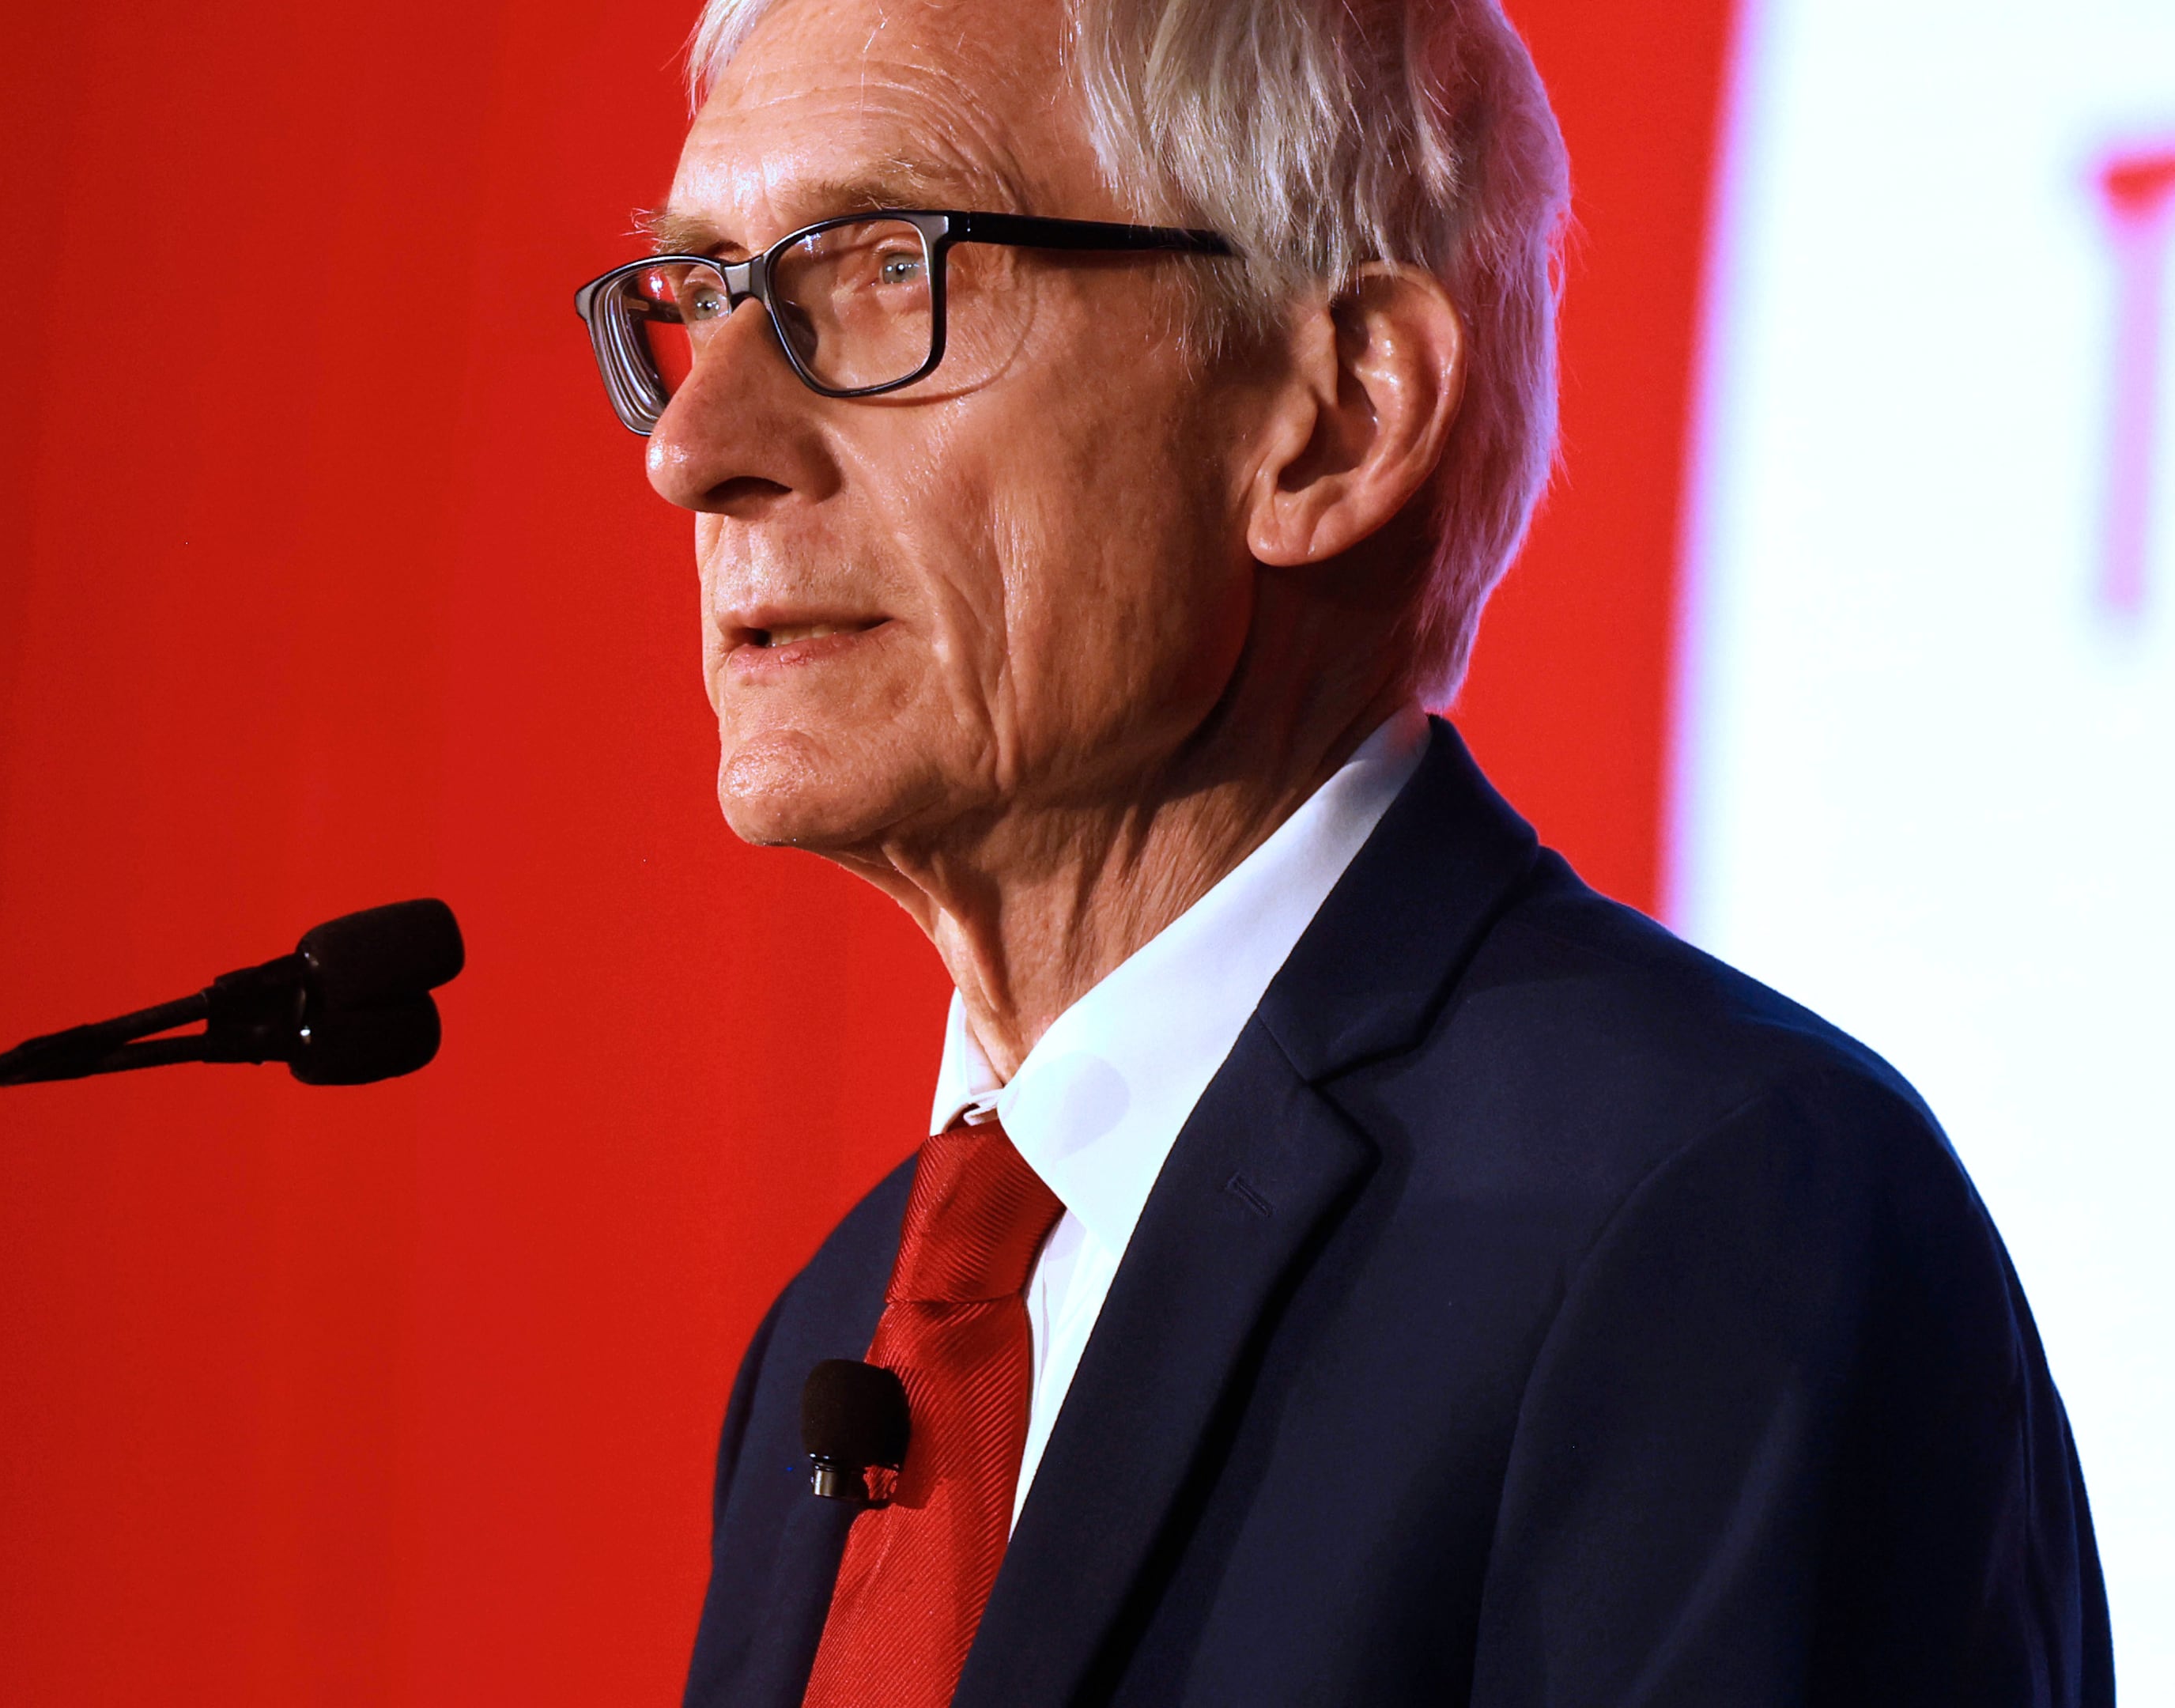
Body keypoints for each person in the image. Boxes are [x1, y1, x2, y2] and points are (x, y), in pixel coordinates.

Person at [566, 0, 2114, 1701]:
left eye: (877, 271)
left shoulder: (1718, 1223)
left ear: (1335, 416)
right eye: (699, 296)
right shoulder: (850, 1319)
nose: (691, 449)